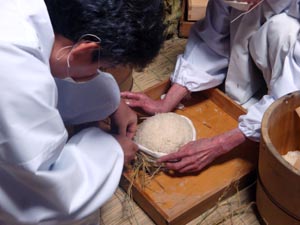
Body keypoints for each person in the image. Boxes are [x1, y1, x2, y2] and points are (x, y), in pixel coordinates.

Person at [0, 0, 165, 224]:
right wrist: (112, 151)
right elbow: (48, 195)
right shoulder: (12, 65)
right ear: (86, 50)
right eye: (101, 67)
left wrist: (110, 101)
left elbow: (53, 70)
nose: (99, 73)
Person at [122, 0, 300, 173]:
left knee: (282, 29)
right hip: (258, 63)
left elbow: (291, 92)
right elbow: (211, 42)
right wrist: (167, 101)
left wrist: (218, 145)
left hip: (292, 84)